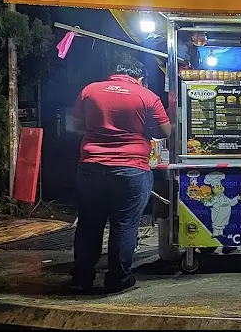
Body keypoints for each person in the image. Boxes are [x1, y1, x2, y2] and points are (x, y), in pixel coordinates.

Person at [70, 52, 171, 293]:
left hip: (91, 167)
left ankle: (81, 277)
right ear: (141, 77)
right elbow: (165, 132)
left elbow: (75, 125)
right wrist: (144, 129)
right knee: (124, 225)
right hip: (131, 169)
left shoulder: (90, 90)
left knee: (89, 224)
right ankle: (118, 278)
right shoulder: (147, 96)